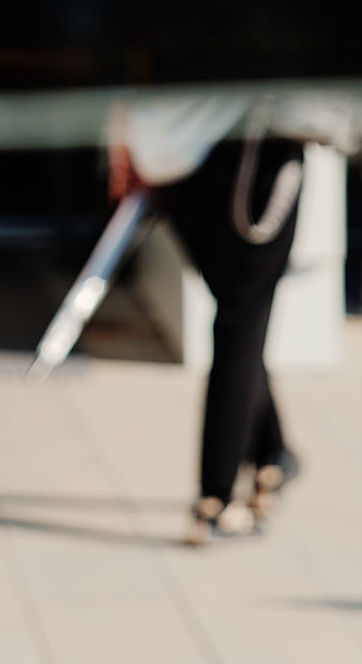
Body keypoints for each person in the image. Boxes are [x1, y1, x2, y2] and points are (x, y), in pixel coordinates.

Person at [109, 99, 305, 544]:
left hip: (166, 151)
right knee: (240, 316)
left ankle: (272, 453)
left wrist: (124, 142)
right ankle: (217, 498)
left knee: (238, 313)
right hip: (249, 142)